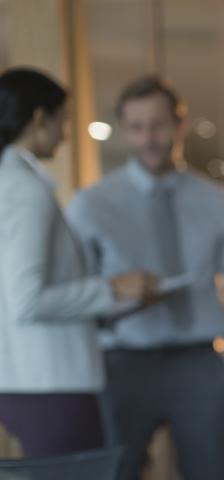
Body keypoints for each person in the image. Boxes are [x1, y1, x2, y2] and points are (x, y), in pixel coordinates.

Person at [67, 75, 224, 480]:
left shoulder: (216, 201)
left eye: (157, 125)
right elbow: (73, 296)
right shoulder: (91, 206)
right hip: (123, 367)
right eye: (136, 127)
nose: (148, 137)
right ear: (123, 130)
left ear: (179, 125)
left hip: (199, 366)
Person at [0, 67, 156, 459]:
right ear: (39, 118)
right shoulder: (24, 188)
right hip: (50, 381)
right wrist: (112, 289)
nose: (67, 133)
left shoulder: (13, 181)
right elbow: (27, 300)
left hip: (34, 381)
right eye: (63, 120)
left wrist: (117, 304)